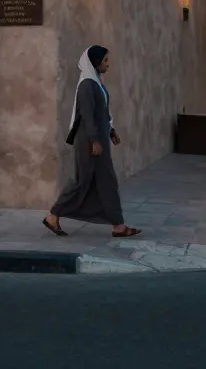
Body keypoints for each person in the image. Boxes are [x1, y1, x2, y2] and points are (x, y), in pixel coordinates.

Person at [43, 45, 141, 238]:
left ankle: (118, 226)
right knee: (83, 181)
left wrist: (111, 131)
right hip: (89, 140)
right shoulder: (87, 84)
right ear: (95, 62)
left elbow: (101, 113)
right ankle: (53, 215)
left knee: (107, 181)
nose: (108, 64)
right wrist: (95, 140)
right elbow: (87, 115)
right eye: (105, 60)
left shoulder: (97, 83)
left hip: (99, 138)